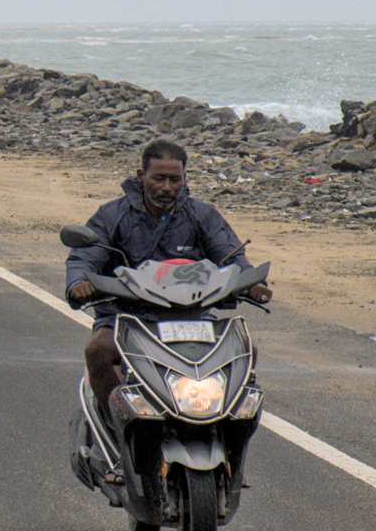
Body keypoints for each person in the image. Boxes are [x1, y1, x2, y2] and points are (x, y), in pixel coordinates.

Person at [68, 140, 272, 471]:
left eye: (174, 179)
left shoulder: (202, 215)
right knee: (98, 350)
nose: (167, 187)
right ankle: (118, 440)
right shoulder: (113, 215)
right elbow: (84, 257)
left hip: (192, 316)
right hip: (128, 317)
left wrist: (252, 283)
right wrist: (79, 283)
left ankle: (231, 449)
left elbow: (230, 254)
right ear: (141, 176)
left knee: (244, 351)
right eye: (158, 178)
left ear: (184, 178)